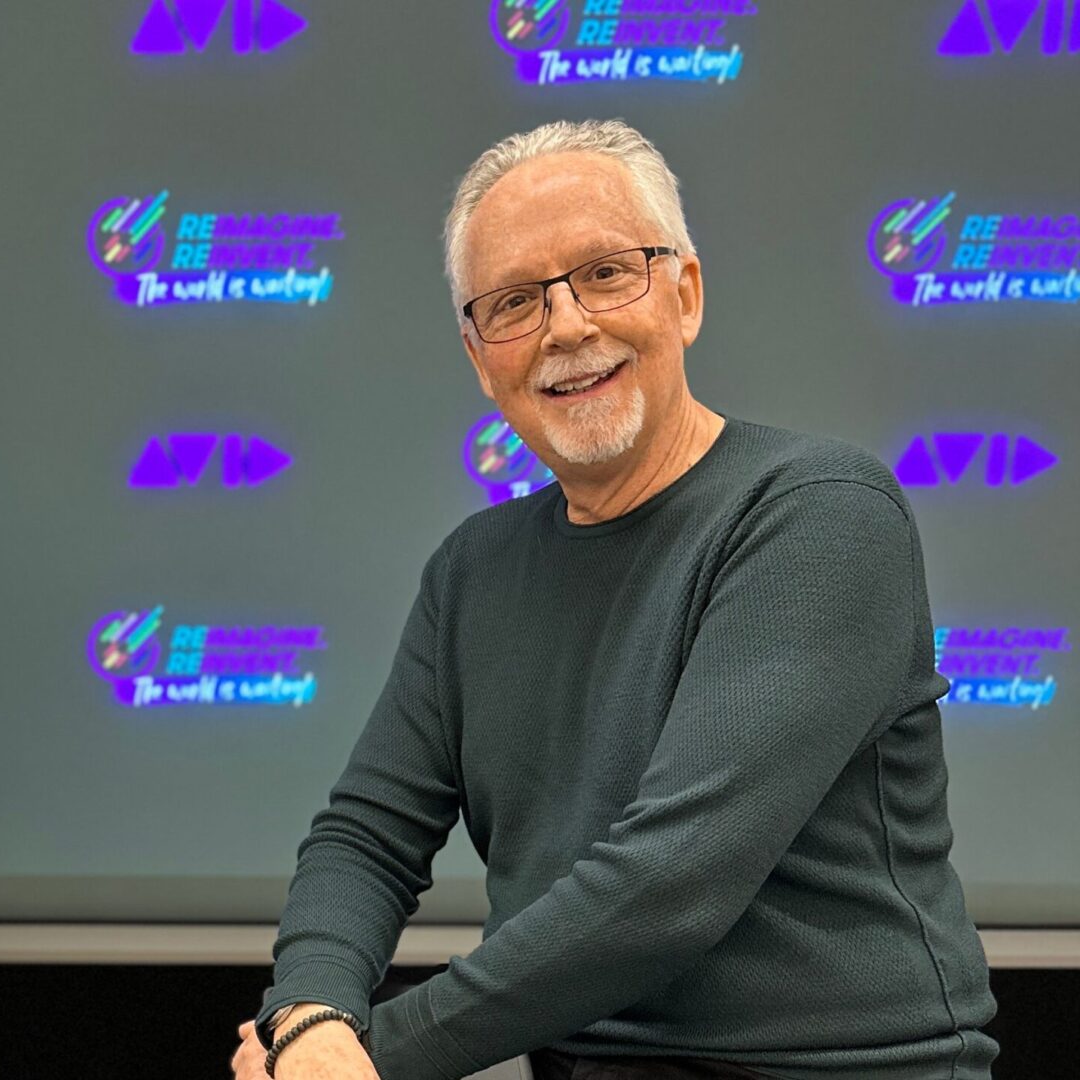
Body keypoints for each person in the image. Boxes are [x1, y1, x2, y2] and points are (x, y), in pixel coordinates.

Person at [234, 119, 997, 1080]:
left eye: (605, 274)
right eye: (515, 302)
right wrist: (309, 1015)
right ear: (480, 357)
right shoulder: (471, 570)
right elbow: (366, 838)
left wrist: (369, 1058)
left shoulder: (820, 515)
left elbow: (669, 886)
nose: (565, 327)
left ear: (685, 295)